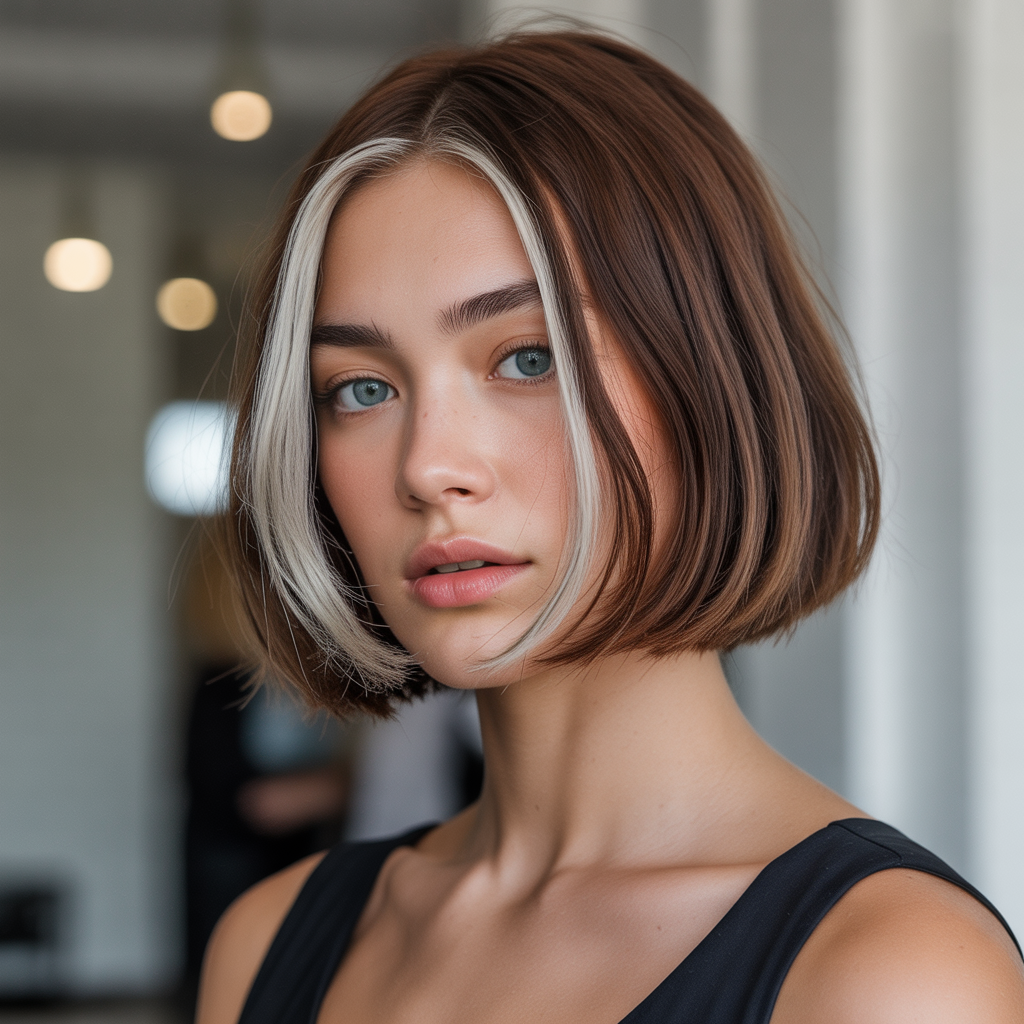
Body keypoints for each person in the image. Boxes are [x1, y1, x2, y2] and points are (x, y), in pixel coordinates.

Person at [196, 30, 1024, 1024]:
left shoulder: (887, 978)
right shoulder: (265, 945)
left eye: (526, 359)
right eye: (362, 388)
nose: (427, 466)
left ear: (709, 386)